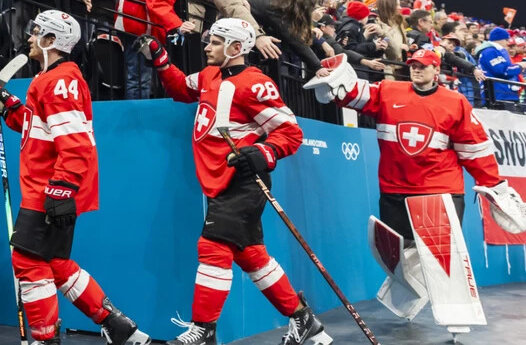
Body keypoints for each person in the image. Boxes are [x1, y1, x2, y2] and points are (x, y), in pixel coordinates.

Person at [134, 19, 331, 345]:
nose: (207, 46)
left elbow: (290, 132)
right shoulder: (209, 75)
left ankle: (203, 331)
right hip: (219, 180)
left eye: (215, 42)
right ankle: (303, 319)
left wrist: (262, 152)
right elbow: (182, 89)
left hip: (243, 180)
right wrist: (160, 59)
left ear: (236, 48)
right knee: (251, 255)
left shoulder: (255, 83)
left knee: (212, 247)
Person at [305, 49, 526, 338]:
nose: (416, 69)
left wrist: (494, 185)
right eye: (413, 65)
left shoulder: (455, 102)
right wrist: (331, 78)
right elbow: (350, 94)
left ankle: (458, 317)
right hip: (394, 189)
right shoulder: (388, 91)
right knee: (398, 255)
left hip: (439, 191)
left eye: (423, 66)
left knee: (444, 257)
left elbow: (474, 149)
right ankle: (407, 300)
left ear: (436, 70)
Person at [0, 10, 151, 345]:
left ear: (52, 41)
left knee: (28, 262)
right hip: (48, 186)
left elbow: (75, 143)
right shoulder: (50, 78)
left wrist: (61, 189)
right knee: (56, 263)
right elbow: (40, 129)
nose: (30, 38)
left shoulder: (59, 81)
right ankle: (121, 328)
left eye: (36, 33)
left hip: (49, 188)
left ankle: (46, 339)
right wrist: (10, 106)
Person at [474, 27, 526, 102]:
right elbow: (502, 71)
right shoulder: (489, 52)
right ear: (500, 39)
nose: (507, 43)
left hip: (506, 94)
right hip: (498, 95)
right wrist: (520, 66)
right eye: (506, 39)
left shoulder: (499, 51)